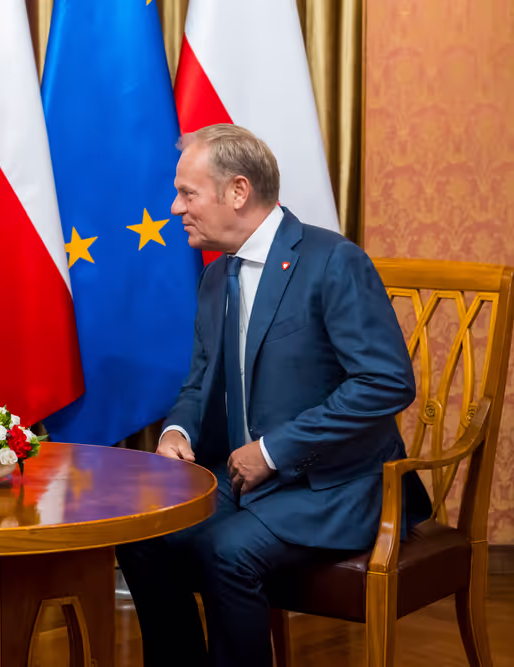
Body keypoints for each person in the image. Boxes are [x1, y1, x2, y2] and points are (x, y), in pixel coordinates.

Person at [115, 125, 431, 667]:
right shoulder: (217, 278)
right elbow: (200, 379)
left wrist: (273, 450)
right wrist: (177, 432)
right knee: (143, 538)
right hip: (248, 484)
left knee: (226, 552)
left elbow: (386, 383)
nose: (174, 208)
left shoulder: (332, 261)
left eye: (188, 193)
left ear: (238, 192)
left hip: (336, 485)